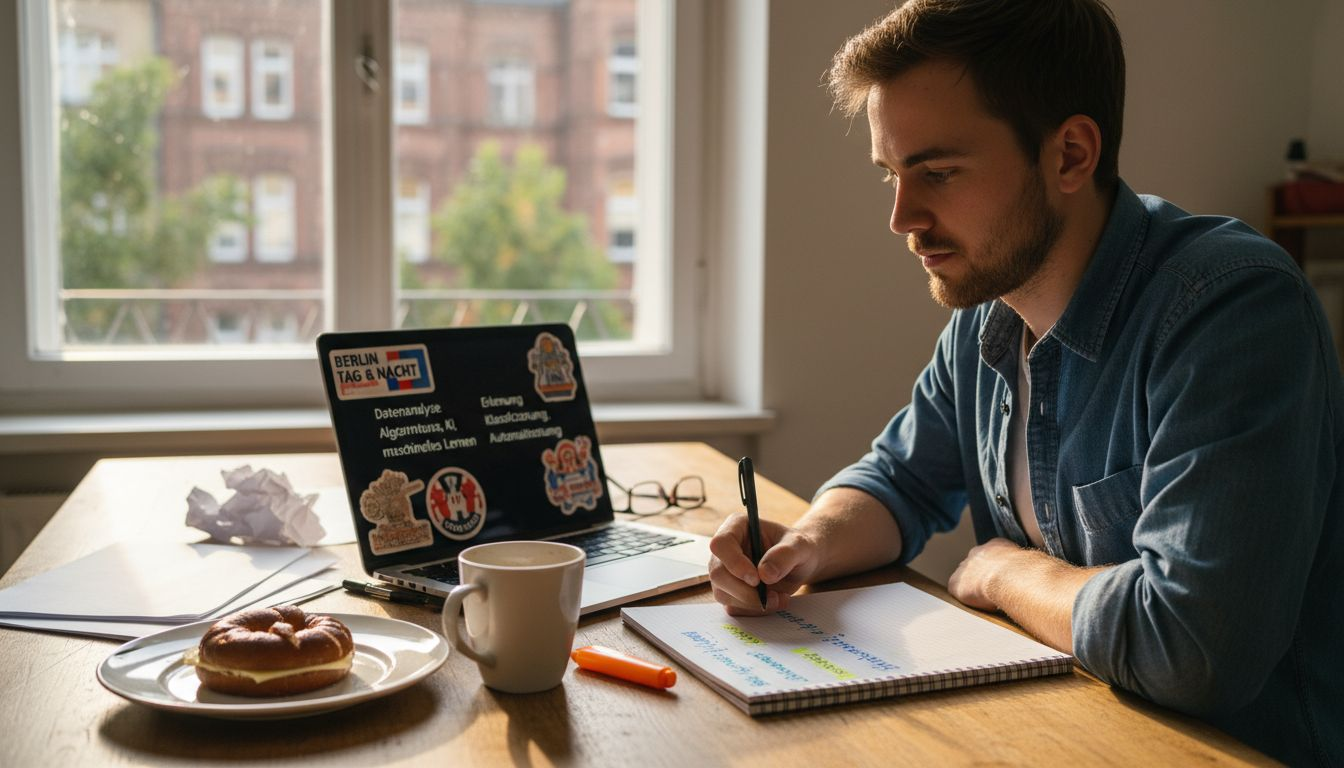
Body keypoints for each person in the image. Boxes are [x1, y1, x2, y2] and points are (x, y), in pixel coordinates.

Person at [706, 1, 1343, 764]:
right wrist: (804, 545)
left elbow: (1193, 646)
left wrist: (1008, 572)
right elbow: (900, 479)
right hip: (1063, 735)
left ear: (1071, 154)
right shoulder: (987, 314)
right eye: (892, 173)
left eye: (937, 172)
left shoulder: (1231, 309)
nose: (902, 217)